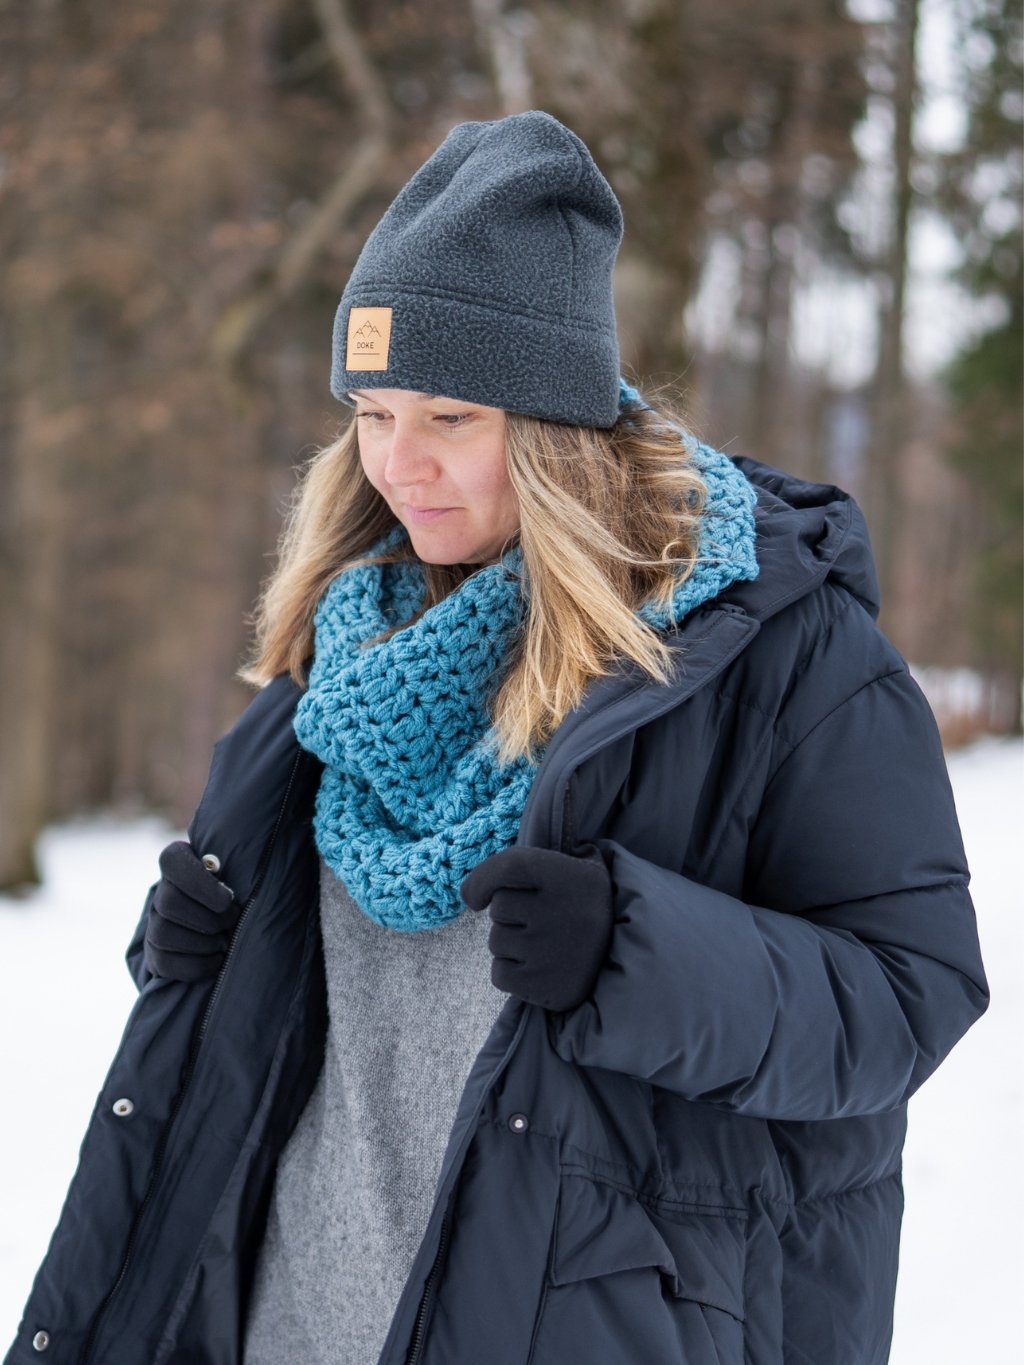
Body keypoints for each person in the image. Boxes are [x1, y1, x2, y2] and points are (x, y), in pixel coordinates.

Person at [6, 111, 988, 1365]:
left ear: (555, 424)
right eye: (371, 414)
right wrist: (192, 947)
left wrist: (635, 950)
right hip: (286, 1323)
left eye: (449, 418)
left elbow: (909, 994)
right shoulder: (346, 646)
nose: (398, 465)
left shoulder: (771, 653)